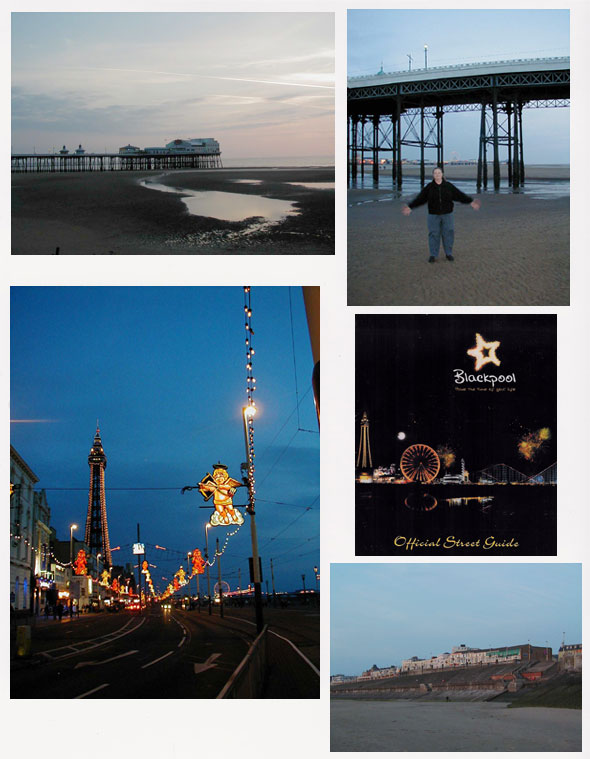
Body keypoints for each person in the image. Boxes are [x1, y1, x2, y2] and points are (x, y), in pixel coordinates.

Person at [402, 166, 480, 262]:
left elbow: (460, 195)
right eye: (435, 173)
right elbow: (420, 199)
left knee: (448, 233)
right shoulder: (429, 187)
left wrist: (471, 202)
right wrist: (410, 207)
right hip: (433, 215)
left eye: (439, 173)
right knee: (434, 234)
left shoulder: (448, 186)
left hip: (447, 214)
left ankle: (448, 253)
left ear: (442, 174)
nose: (437, 175)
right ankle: (433, 255)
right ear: (433, 175)